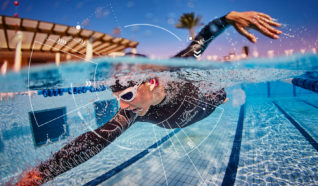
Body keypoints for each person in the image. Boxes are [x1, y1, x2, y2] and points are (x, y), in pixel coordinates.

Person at [15, 11, 281, 185]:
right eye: (118, 97)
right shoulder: (132, 112)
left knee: (221, 94)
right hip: (188, 116)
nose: (123, 105)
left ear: (151, 81)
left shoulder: (177, 67)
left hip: (208, 98)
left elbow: (202, 39)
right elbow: (97, 139)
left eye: (128, 95)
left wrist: (228, 18)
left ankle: (225, 94)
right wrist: (41, 174)